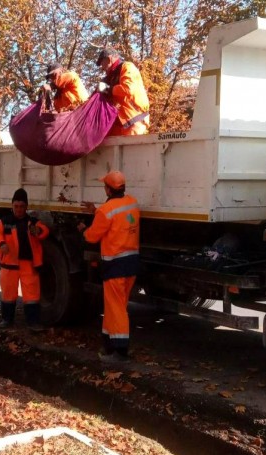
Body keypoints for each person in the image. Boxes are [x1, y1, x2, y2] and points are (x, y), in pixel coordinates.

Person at [78, 171, 140, 361]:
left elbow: (93, 236)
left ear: (108, 189)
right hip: (131, 264)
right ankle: (107, 342)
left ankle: (120, 351)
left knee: (117, 308)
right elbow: (116, 217)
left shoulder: (106, 211)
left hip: (115, 265)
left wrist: (83, 230)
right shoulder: (132, 203)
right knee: (116, 306)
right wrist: (96, 211)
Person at [0, 188, 50, 330]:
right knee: (8, 294)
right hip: (9, 265)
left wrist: (38, 231)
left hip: (28, 265)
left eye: (22, 207)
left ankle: (33, 322)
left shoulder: (33, 222)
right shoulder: (4, 222)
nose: (19, 209)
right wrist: (1, 243)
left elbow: (44, 231)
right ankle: (7, 320)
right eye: (16, 206)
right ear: (12, 206)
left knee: (32, 295)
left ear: (26, 207)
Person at [95, 48, 150, 136]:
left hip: (134, 119)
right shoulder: (109, 78)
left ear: (109, 59)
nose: (102, 68)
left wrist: (108, 89)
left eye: (102, 64)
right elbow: (94, 98)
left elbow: (128, 89)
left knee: (131, 149)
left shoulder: (127, 67)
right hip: (118, 123)